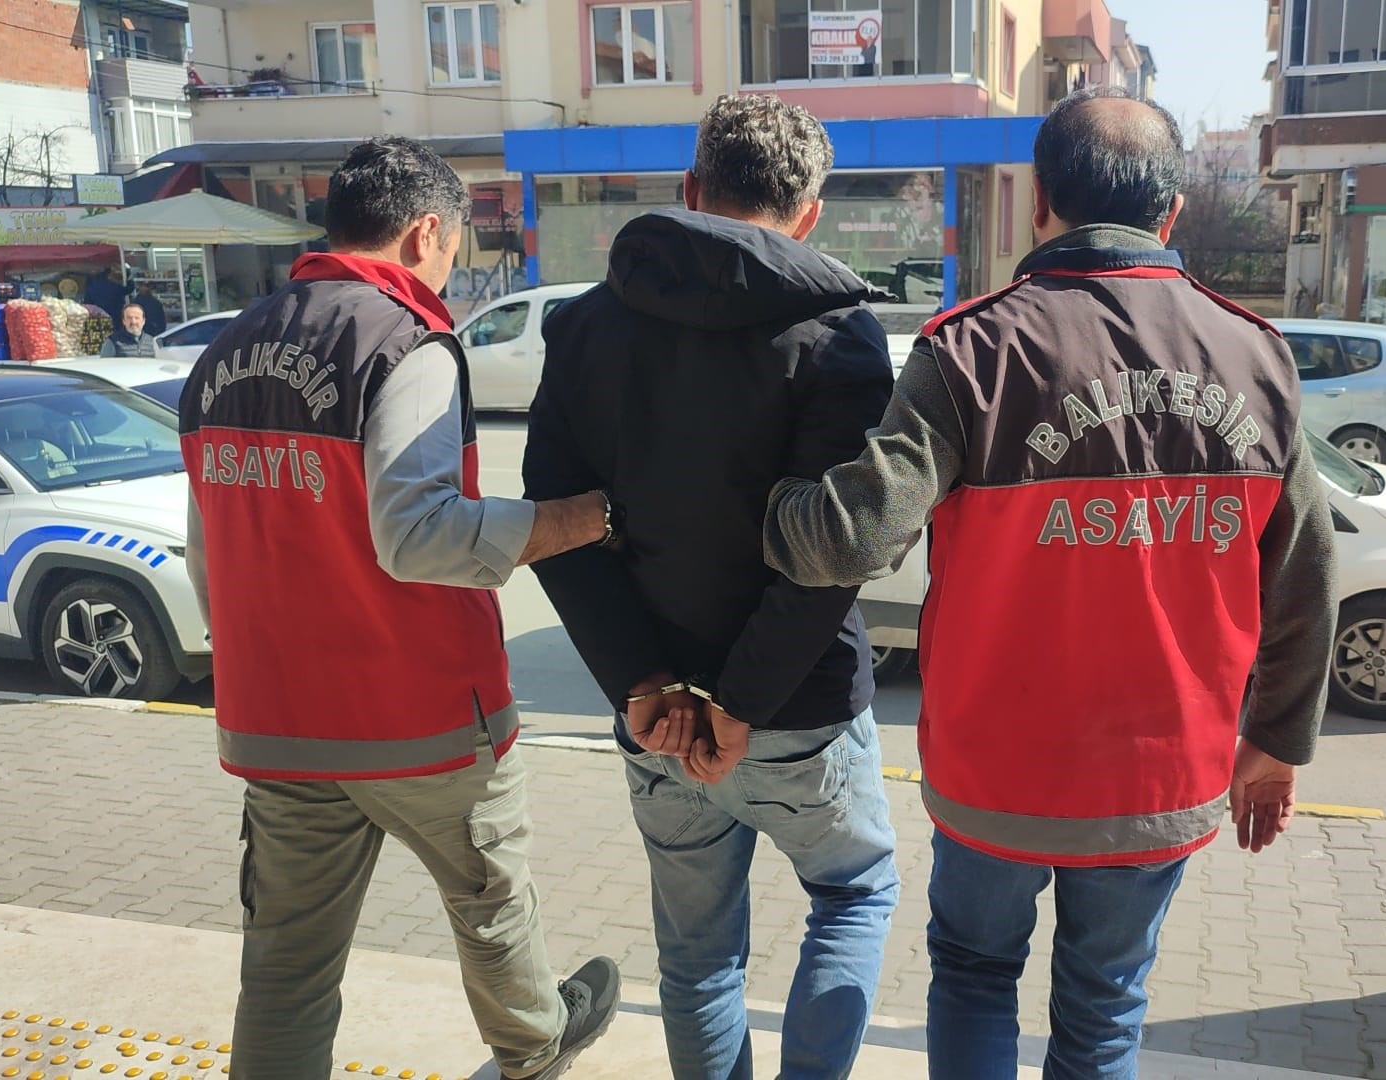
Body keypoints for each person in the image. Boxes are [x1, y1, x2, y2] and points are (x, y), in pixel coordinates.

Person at [762, 87, 1339, 1078]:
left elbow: (849, 540)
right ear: (1171, 214)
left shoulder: (974, 350)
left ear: (1040, 204)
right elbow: (1306, 579)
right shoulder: (1258, 358)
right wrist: (1277, 744)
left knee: (978, 973)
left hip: (998, 775)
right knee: (1106, 1007)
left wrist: (753, 500)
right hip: (1163, 776)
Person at [178, 136, 621, 1080]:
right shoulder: (401, 340)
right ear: (427, 232)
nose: (451, 268)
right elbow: (418, 536)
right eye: (454, 247)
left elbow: (206, 551)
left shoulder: (223, 352)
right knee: (490, 903)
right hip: (417, 719)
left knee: (286, 965)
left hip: (280, 723)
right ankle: (537, 1047)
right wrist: (577, 519)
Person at [523, 94, 901, 1080]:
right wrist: (742, 703)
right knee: (855, 896)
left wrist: (643, 684)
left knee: (696, 959)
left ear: (691, 191)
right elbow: (831, 555)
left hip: (657, 718)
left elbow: (558, 528)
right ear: (809, 212)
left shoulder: (583, 329)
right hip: (800, 706)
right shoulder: (842, 338)